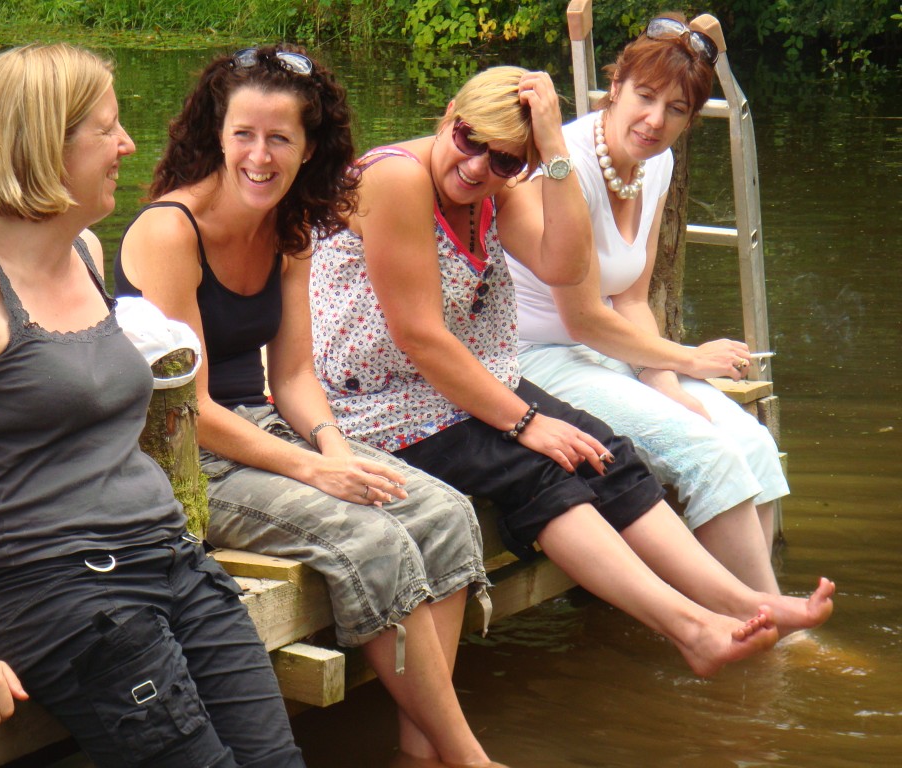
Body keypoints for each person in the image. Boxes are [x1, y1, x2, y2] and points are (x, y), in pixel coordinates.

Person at [310, 64, 836, 681]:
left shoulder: (495, 189)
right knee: (539, 468)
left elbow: (565, 266)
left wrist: (554, 153)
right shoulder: (397, 177)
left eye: (506, 160)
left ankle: (745, 602)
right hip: (376, 401)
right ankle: (692, 630)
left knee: (602, 449)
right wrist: (526, 422)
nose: (479, 166)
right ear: (448, 115)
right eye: (469, 139)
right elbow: (419, 336)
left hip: (455, 384)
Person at [0, 44, 303, 768]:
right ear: (47, 144)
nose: (127, 146)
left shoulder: (82, 251)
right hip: (56, 594)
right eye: (107, 129)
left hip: (170, 561)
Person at [114, 45, 503, 768]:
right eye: (244, 135)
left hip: (255, 430)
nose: (259, 156)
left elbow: (291, 377)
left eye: (280, 139)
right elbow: (190, 406)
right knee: (373, 540)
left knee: (444, 515)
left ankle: (421, 747)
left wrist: (332, 448)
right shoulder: (172, 231)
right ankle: (467, 757)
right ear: (216, 134)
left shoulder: (290, 228)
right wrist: (316, 473)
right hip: (174, 458)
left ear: (309, 147)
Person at [507, 16, 790, 594]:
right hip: (534, 360)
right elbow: (581, 316)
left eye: (678, 109)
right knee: (705, 453)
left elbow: (632, 297)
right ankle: (771, 627)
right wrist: (686, 359)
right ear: (616, 86)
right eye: (645, 97)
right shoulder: (570, 165)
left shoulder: (656, 164)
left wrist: (661, 377)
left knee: (752, 444)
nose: (656, 120)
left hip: (603, 352)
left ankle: (753, 609)